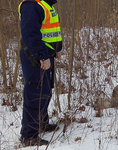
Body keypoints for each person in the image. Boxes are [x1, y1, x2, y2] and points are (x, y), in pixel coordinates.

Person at [18, 0, 62, 146]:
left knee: (45, 91)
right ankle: (29, 135)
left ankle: (41, 123)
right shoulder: (31, 5)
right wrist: (41, 56)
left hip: (46, 53)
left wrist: (56, 48)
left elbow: (49, 30)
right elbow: (30, 33)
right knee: (35, 94)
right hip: (35, 56)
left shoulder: (45, 4)